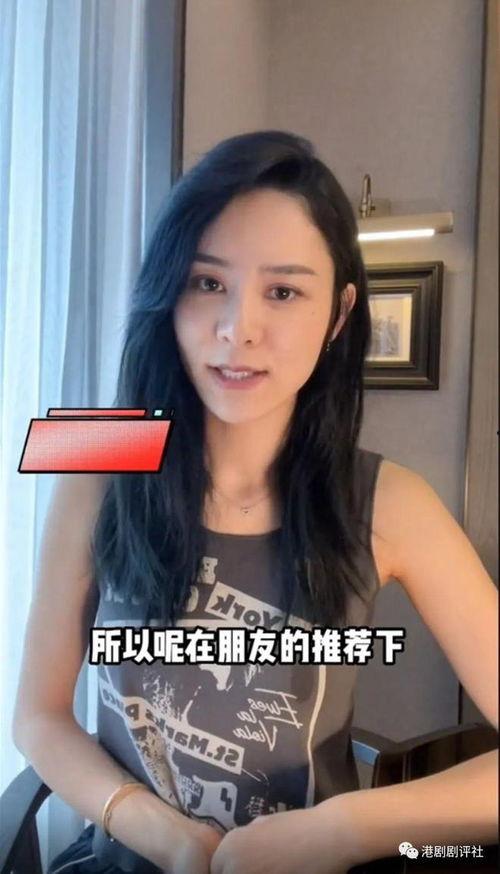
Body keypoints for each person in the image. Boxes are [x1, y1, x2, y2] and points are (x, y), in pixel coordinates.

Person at [12, 131, 498, 874]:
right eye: (208, 283)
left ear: (339, 314)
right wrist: (155, 829)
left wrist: (342, 829)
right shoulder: (95, 465)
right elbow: (38, 715)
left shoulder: (391, 502)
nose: (239, 329)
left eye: (283, 291)